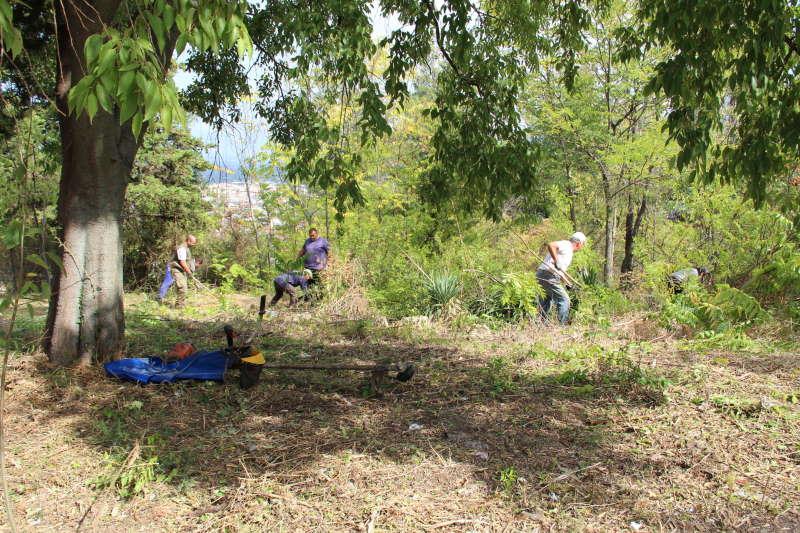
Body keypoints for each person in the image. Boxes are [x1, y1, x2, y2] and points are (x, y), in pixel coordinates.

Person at [536, 232, 587, 325]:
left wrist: (568, 284)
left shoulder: (568, 252)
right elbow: (551, 245)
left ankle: (540, 325)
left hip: (543, 274)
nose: (582, 247)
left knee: (546, 301)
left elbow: (560, 272)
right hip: (548, 275)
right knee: (564, 300)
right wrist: (556, 261)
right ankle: (562, 326)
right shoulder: (567, 245)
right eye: (583, 244)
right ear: (579, 243)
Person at [169, 235, 198, 308]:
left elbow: (187, 261)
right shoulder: (182, 248)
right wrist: (189, 272)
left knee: (184, 288)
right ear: (188, 241)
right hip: (177, 270)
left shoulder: (186, 248)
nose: (194, 245)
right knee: (183, 288)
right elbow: (182, 262)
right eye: (193, 243)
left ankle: (181, 304)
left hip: (182, 270)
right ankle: (179, 306)